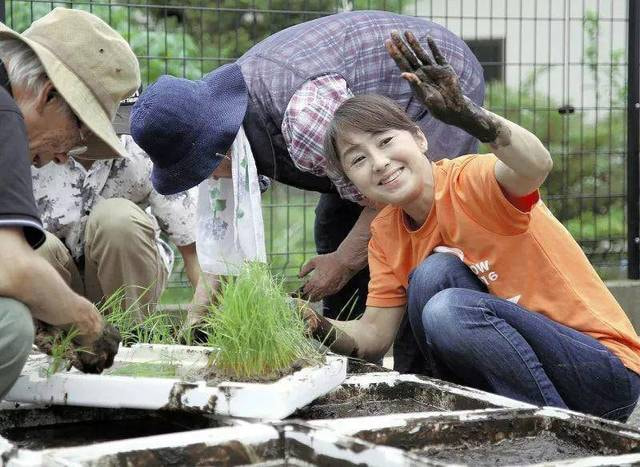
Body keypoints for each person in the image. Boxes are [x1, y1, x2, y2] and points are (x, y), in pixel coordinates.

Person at [302, 31, 640, 422]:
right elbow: (373, 337)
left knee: (447, 309)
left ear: (420, 139)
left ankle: (558, 435)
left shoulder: (472, 180)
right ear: (351, 183)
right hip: (523, 370)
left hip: (603, 370)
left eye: (385, 141)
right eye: (358, 160)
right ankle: (473, 418)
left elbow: (535, 166)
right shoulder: (386, 234)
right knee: (433, 275)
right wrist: (317, 324)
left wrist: (471, 117)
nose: (378, 162)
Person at [129, 10, 485, 325]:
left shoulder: (306, 119)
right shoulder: (224, 123)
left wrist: (343, 263)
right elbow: (224, 226)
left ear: (219, 150)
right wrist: (199, 310)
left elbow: (384, 196)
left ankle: (415, 355)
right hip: (354, 123)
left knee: (415, 223)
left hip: (429, 83)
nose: (206, 180)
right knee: (332, 223)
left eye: (200, 170)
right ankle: (353, 353)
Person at [0, 7, 140, 397]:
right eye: (77, 132)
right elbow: (13, 269)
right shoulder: (4, 114)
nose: (66, 156)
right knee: (10, 325)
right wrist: (89, 324)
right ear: (47, 93)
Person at [32, 132, 200, 322]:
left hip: (125, 282)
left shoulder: (146, 148)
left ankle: (131, 334)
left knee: (117, 219)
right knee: (36, 243)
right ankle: (49, 340)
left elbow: (192, 250)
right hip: (55, 289)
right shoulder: (29, 152)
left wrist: (200, 320)